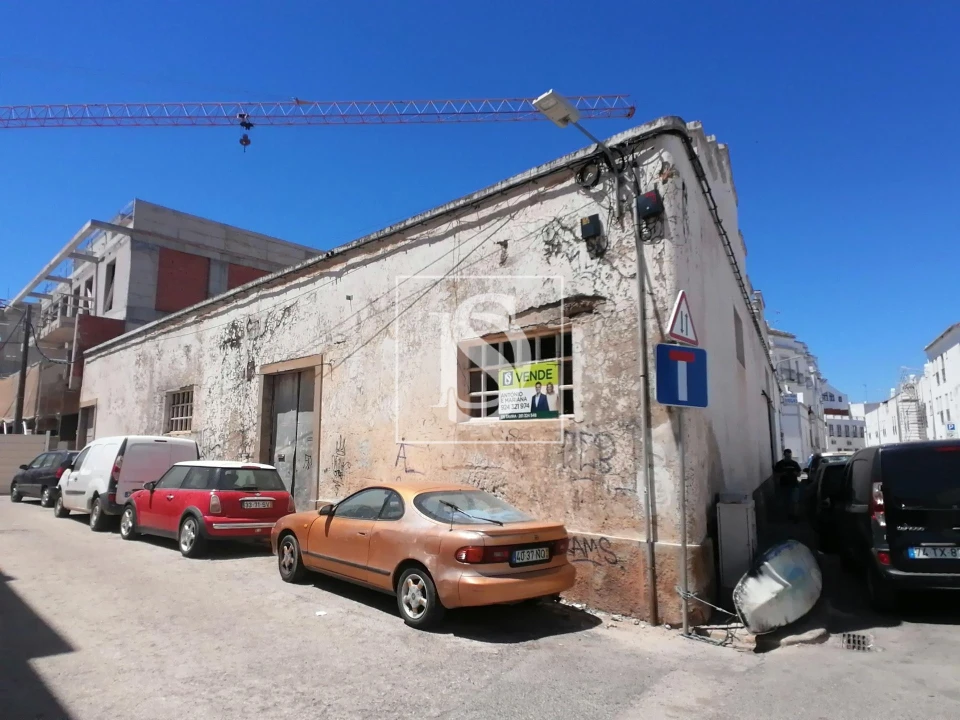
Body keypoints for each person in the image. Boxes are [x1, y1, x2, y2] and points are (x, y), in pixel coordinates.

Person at [773, 449, 802, 521]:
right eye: (787, 456)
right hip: (784, 485)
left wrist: (796, 473)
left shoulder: (794, 463)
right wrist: (782, 474)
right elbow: (775, 474)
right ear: (784, 455)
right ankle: (788, 515)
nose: (789, 457)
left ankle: (795, 516)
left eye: (790, 456)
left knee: (795, 501)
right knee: (786, 501)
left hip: (794, 484)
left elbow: (799, 473)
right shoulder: (780, 464)